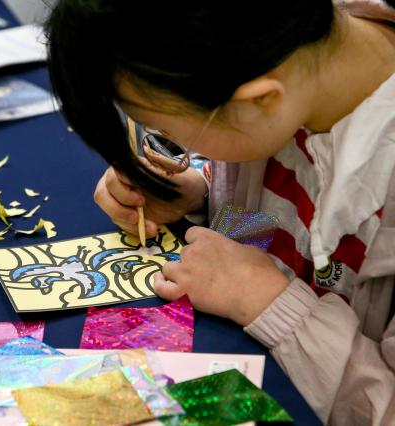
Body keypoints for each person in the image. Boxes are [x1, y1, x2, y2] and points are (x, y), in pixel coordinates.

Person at [45, 0, 395, 424]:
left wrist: (270, 303)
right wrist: (199, 194)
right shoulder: (292, 58)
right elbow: (292, 219)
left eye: (169, 131)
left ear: (260, 101)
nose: (170, 142)